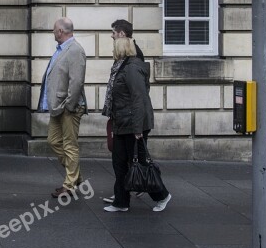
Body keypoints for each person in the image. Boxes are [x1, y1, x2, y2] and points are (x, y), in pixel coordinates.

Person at [103, 37, 171, 213]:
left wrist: (138, 129)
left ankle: (162, 195)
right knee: (119, 162)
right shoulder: (122, 67)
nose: (112, 51)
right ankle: (121, 202)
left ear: (121, 49)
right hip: (122, 122)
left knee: (141, 162)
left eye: (114, 47)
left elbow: (139, 99)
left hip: (133, 124)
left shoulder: (131, 69)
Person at [37, 17, 88, 198]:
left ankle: (69, 185)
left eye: (54, 29)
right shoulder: (61, 49)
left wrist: (69, 105)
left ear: (61, 31)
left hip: (69, 107)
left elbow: (77, 82)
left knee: (69, 146)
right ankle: (76, 177)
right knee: (53, 141)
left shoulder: (75, 50)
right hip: (57, 106)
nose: (53, 32)